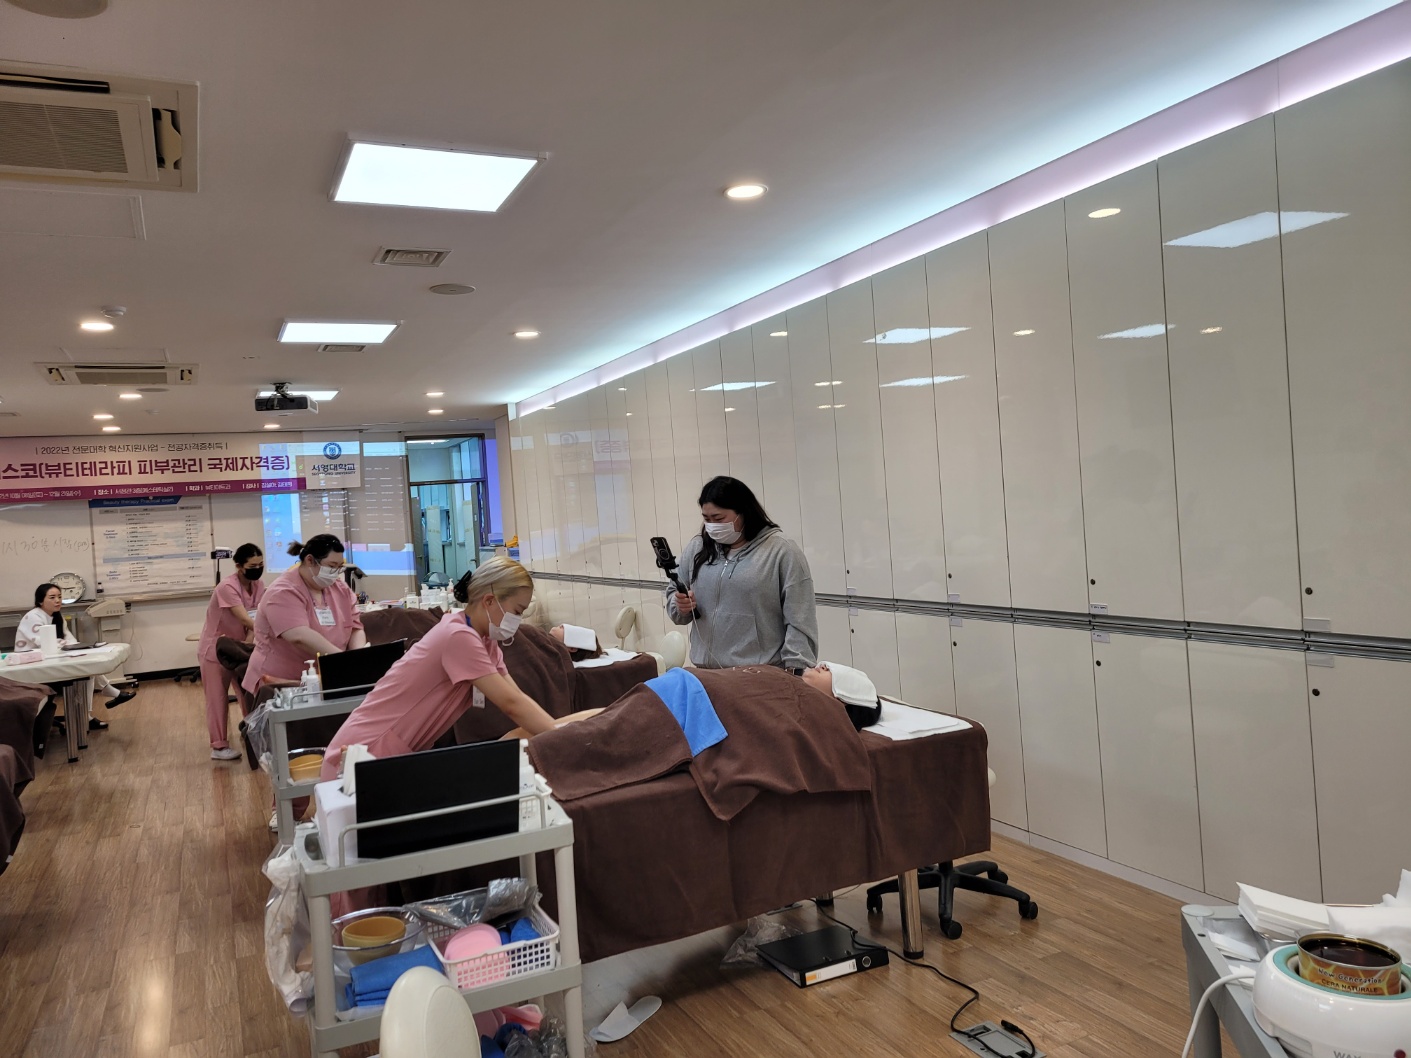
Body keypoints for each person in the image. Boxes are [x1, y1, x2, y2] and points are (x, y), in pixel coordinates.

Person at [320, 557, 560, 782]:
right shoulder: (459, 637)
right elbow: (511, 704)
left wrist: (558, 731)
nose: (517, 620)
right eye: (517, 612)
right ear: (489, 601)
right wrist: (565, 739)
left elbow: (517, 696)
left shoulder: (486, 641)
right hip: (363, 751)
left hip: (392, 753)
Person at [666, 476, 818, 671]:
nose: (712, 526)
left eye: (719, 519)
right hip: (706, 672)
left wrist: (797, 671)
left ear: (743, 513)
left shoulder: (781, 551)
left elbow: (800, 619)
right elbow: (674, 596)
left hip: (759, 673)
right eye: (707, 519)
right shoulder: (698, 548)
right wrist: (680, 606)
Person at [242, 535, 367, 696]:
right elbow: (298, 636)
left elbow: (355, 627)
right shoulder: (283, 591)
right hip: (279, 682)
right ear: (310, 560)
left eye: (339, 567)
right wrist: (343, 660)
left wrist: (358, 658)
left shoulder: (339, 589)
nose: (336, 573)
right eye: (331, 566)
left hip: (326, 677)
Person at [16, 584, 136, 729]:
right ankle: (95, 706)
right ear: (40, 601)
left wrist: (86, 648)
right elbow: (44, 643)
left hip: (52, 661)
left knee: (88, 668)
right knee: (87, 672)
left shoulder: (57, 617)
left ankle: (90, 712)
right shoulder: (33, 617)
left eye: (59, 597)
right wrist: (70, 647)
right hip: (33, 667)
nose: (57, 600)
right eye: (52, 597)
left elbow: (71, 642)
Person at [197, 544, 266, 761]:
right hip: (216, 649)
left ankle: (252, 732)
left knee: (248, 692)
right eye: (252, 566)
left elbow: (256, 617)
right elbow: (245, 618)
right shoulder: (227, 587)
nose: (258, 569)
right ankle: (218, 747)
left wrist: (247, 646)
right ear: (238, 566)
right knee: (217, 698)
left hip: (240, 646)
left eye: (261, 564)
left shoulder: (259, 585)